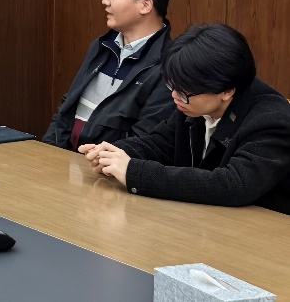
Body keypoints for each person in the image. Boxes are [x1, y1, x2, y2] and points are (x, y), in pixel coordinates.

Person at [79, 23, 290, 213]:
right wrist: (113, 154)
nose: (174, 96)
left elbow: (233, 185)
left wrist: (133, 172)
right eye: (171, 86)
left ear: (226, 90)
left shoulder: (271, 121)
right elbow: (161, 143)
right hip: (206, 222)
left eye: (183, 92)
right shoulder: (193, 104)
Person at [43, 0, 176, 150]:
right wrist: (48, 152)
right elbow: (66, 108)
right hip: (65, 159)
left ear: (145, 5)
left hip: (106, 165)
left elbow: (144, 141)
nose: (105, 1)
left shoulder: (168, 65)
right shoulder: (102, 45)